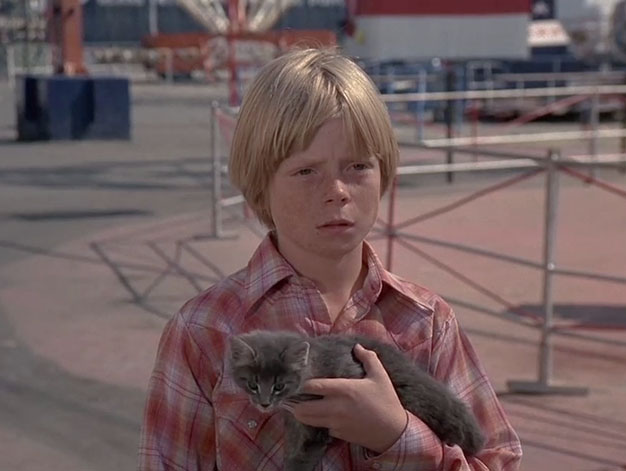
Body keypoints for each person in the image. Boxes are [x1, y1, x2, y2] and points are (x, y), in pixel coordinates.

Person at [137, 48, 522, 470]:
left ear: (384, 174)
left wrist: (396, 436)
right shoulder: (204, 331)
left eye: (357, 166)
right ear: (260, 184)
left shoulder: (426, 323)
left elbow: (496, 459)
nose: (337, 190)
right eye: (306, 171)